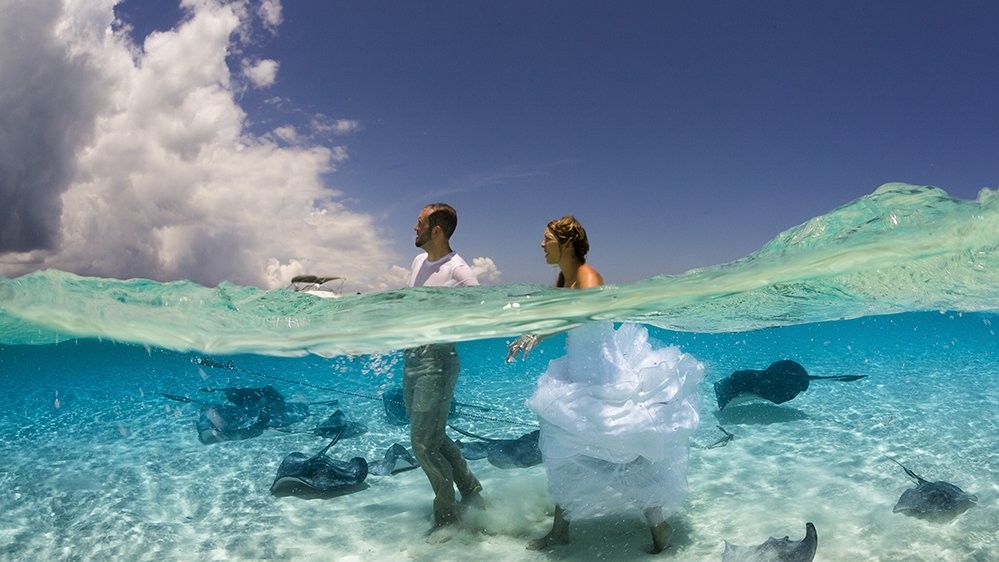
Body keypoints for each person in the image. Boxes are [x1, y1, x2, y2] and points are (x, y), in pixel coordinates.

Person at [507, 215, 703, 554]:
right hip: (578, 376)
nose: (541, 244)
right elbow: (557, 317)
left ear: (566, 242)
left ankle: (660, 527)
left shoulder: (589, 276)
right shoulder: (563, 280)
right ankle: (560, 531)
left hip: (604, 378)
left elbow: (579, 317)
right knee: (562, 451)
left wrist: (538, 334)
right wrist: (528, 330)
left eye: (547, 238)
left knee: (628, 453)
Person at [404, 203, 485, 541]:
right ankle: (471, 488)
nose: (414, 227)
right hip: (412, 359)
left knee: (422, 444)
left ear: (436, 230)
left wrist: (449, 326)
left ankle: (447, 515)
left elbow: (483, 307)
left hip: (437, 362)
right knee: (431, 437)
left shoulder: (459, 271)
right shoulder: (419, 262)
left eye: (419, 222)